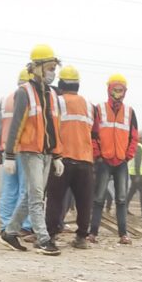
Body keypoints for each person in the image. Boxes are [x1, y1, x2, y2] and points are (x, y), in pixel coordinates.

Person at [1, 45, 62, 255]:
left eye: (54, 68)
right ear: (36, 67)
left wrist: (57, 156)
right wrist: (10, 155)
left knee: (30, 195)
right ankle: (43, 239)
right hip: (29, 152)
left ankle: (9, 232)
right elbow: (16, 125)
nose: (52, 72)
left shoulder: (52, 95)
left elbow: (55, 128)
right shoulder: (24, 92)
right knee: (37, 195)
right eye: (49, 67)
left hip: (46, 152)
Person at [45, 66, 95, 249]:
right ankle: (81, 237)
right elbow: (93, 132)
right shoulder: (90, 105)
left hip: (61, 158)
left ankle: (50, 236)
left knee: (55, 199)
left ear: (61, 83)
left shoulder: (56, 102)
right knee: (84, 202)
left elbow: (49, 128)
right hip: (85, 159)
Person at [90, 73, 140, 245]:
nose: (118, 93)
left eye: (121, 90)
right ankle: (93, 233)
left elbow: (134, 136)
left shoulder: (129, 112)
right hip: (104, 160)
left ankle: (123, 234)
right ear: (109, 90)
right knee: (98, 198)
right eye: (115, 90)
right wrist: (97, 154)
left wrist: (128, 155)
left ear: (125, 91)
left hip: (121, 162)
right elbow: (93, 134)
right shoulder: (99, 109)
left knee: (121, 199)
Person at [0, 68, 32, 235]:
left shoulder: (5, 100)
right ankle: (23, 225)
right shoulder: (33, 99)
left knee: (9, 189)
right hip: (25, 150)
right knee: (26, 190)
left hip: (7, 151)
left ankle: (5, 225)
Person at [126, 133, 142, 218]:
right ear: (140, 138)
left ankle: (124, 208)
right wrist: (138, 175)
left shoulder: (139, 147)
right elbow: (137, 162)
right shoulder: (139, 147)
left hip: (136, 174)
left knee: (132, 191)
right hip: (137, 174)